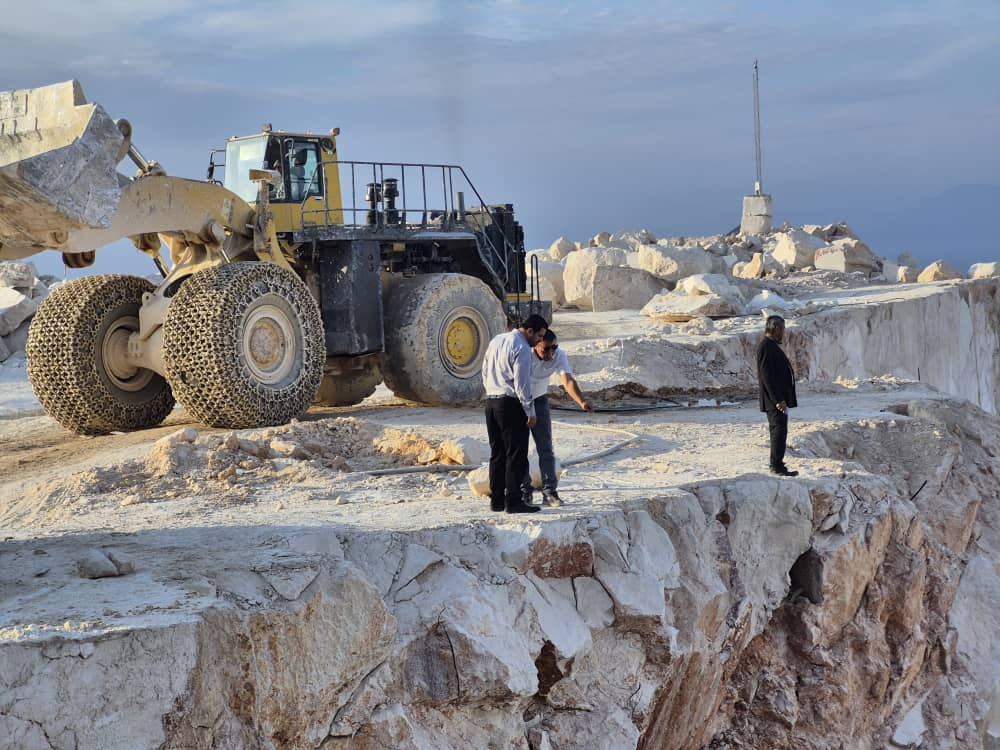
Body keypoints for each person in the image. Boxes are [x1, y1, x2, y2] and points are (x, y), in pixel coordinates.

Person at [481, 314, 549, 513]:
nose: (539, 341)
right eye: (539, 336)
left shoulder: (496, 340)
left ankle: (497, 500)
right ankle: (513, 501)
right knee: (516, 454)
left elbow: (484, 370)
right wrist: (530, 410)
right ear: (529, 331)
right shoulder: (522, 348)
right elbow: (522, 383)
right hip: (510, 403)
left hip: (491, 401)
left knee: (497, 454)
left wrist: (491, 391)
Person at [521, 331, 593, 507]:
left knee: (545, 448)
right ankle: (524, 491)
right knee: (519, 448)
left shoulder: (558, 355)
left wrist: (582, 401)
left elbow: (567, 381)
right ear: (536, 345)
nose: (551, 353)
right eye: (546, 349)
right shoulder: (524, 354)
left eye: (554, 348)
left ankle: (550, 492)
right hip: (520, 402)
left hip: (539, 400)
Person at [756, 315, 798, 477]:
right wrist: (778, 400)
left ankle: (779, 464)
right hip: (774, 401)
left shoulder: (770, 345)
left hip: (777, 399)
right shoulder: (766, 347)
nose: (783, 333)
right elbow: (767, 376)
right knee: (778, 431)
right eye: (782, 329)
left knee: (780, 430)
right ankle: (776, 466)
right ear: (775, 329)